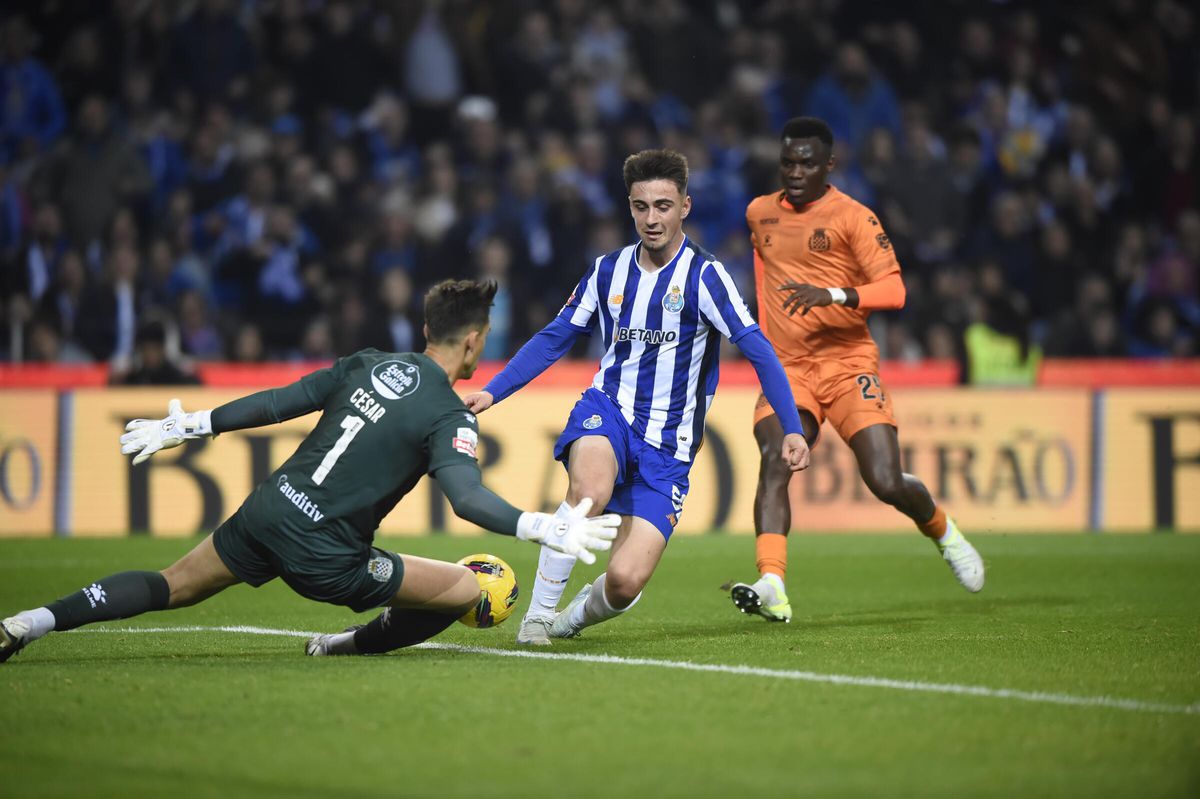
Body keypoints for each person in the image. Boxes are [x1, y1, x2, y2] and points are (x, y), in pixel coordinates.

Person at [0, 280, 618, 663]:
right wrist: (541, 526)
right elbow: (466, 498)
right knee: (469, 589)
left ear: (427, 329)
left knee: (170, 586)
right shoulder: (448, 415)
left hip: (270, 511)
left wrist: (187, 425)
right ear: (476, 342)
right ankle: (342, 645)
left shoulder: (365, 363)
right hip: (327, 554)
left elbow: (278, 401)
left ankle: (32, 621)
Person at [464, 149, 811, 646]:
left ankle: (572, 619)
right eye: (642, 206)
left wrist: (793, 427)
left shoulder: (706, 277)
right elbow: (554, 337)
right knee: (589, 492)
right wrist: (492, 392)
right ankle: (537, 618)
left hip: (668, 447)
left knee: (625, 582)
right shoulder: (608, 271)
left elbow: (759, 350)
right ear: (630, 207)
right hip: (609, 410)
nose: (652, 219)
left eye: (664, 206)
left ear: (685, 207)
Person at [730, 117, 985, 624]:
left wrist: (833, 295)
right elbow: (764, 275)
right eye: (788, 162)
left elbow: (895, 290)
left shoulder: (854, 217)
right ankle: (773, 582)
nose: (796, 171)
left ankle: (943, 532)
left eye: (807, 162)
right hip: (789, 369)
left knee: (885, 481)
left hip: (847, 364)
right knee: (775, 457)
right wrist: (761, 339)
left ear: (830, 164)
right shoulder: (759, 213)